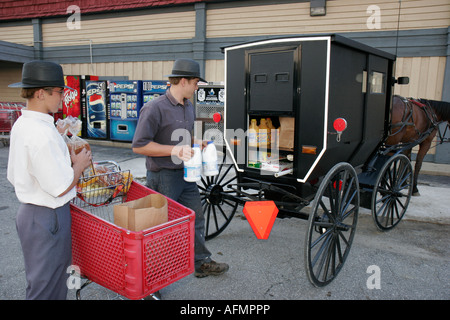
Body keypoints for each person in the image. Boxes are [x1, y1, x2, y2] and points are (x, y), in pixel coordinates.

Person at [132, 58, 229, 278]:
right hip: (163, 176)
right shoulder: (154, 108)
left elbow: (181, 137)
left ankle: (201, 262)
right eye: (196, 83)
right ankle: (151, 276)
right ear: (183, 81)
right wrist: (174, 151)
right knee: (160, 228)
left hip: (187, 174)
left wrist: (196, 142)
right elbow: (139, 145)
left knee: (196, 217)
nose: (197, 87)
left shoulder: (188, 105)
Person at [7, 60, 92, 299]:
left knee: (43, 282)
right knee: (48, 287)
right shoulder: (41, 133)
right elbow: (59, 186)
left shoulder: (25, 123)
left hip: (32, 213)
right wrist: (80, 165)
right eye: (59, 91)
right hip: (48, 215)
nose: (62, 97)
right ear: (41, 93)